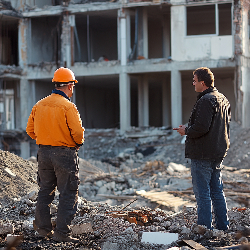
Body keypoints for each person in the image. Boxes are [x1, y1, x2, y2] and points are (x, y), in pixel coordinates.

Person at [26, 67, 85, 242]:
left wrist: (45, 140)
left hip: (43, 153)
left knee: (45, 191)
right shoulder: (68, 107)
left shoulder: (39, 105)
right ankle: (61, 234)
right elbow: (78, 134)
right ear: (69, 86)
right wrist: (75, 144)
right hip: (64, 154)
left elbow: (30, 130)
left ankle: (43, 230)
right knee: (67, 193)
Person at [173, 67, 230, 230]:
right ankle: (222, 227)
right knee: (217, 191)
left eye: (194, 81)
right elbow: (219, 126)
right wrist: (190, 127)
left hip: (203, 153)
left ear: (202, 83)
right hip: (218, 152)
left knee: (203, 194)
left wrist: (186, 131)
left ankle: (204, 229)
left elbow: (202, 128)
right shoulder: (222, 99)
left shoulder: (206, 100)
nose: (193, 84)